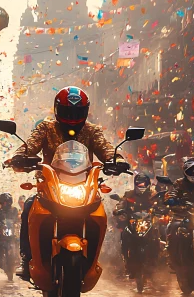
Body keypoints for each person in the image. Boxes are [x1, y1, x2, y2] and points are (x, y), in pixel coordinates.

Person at [7, 86, 122, 281]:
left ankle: (94, 261)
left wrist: (117, 160)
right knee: (28, 207)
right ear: (57, 109)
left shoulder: (91, 130)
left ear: (85, 111)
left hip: (83, 186)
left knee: (101, 212)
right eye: (68, 111)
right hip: (50, 186)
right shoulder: (46, 128)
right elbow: (30, 145)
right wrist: (20, 156)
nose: (72, 116)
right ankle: (26, 259)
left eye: (77, 112)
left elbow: (106, 149)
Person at [0, 193, 19, 260]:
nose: (5, 204)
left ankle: (19, 253)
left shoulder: (14, 210)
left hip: (11, 228)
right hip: (0, 228)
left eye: (7, 202)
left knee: (18, 237)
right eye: (3, 202)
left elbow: (17, 217)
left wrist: (17, 221)